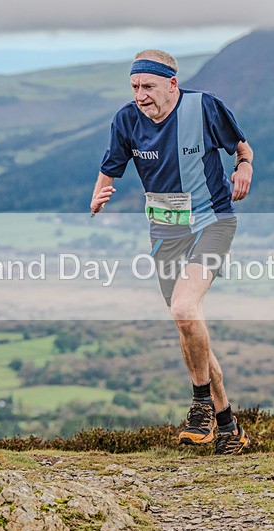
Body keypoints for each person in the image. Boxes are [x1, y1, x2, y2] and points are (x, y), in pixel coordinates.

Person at [90, 49, 254, 455]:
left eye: (147, 86)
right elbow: (111, 167)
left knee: (184, 309)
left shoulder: (204, 107)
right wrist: (99, 191)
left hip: (213, 222)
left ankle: (200, 406)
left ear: (171, 84)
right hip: (166, 231)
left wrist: (244, 167)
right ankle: (228, 427)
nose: (140, 95)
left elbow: (242, 148)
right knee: (189, 325)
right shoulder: (126, 120)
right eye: (134, 87)